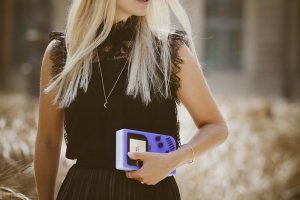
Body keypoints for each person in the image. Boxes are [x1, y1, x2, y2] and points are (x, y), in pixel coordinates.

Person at [34, 0, 228, 199]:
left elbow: (216, 127)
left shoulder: (169, 52)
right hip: (84, 191)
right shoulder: (62, 54)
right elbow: (48, 141)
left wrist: (173, 160)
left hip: (151, 193)